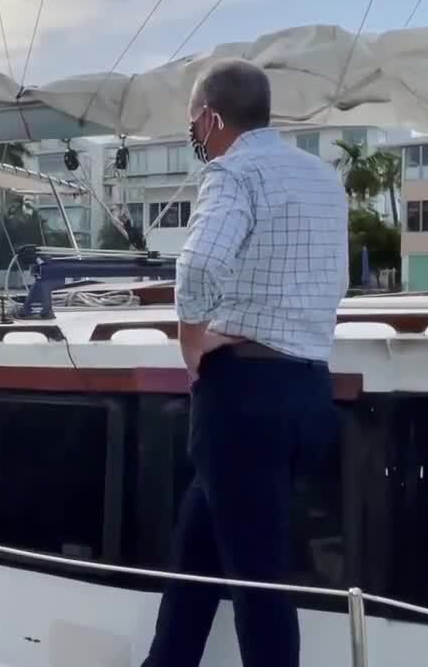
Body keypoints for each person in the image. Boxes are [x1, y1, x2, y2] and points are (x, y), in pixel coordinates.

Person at [142, 59, 348, 667]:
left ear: (209, 117)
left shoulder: (233, 173)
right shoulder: (322, 177)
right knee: (196, 558)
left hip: (244, 396)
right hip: (309, 390)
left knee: (259, 587)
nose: (194, 134)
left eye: (192, 124)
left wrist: (191, 342)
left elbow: (200, 264)